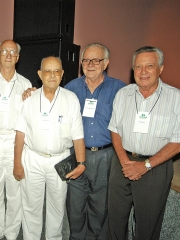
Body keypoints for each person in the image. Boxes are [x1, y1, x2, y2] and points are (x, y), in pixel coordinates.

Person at [107, 46, 180, 240]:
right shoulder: (123, 95)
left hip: (156, 166)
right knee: (115, 220)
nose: (143, 72)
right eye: (138, 67)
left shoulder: (176, 98)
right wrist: (124, 161)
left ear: (160, 68)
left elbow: (179, 143)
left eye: (149, 66)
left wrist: (145, 165)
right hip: (122, 161)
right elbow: (115, 129)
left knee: (148, 224)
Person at [14, 56, 86, 240]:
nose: (52, 75)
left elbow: (78, 134)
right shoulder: (29, 98)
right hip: (32, 159)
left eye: (56, 71)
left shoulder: (71, 99)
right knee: (31, 206)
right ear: (40, 74)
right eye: (47, 71)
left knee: (56, 207)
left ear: (62, 74)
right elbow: (20, 134)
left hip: (60, 160)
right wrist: (17, 163)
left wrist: (81, 163)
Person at [64, 43, 126, 240]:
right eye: (86, 60)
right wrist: (30, 92)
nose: (90, 64)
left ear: (105, 63)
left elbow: (143, 99)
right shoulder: (71, 88)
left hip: (105, 155)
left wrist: (179, 96)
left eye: (96, 60)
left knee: (100, 207)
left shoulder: (120, 89)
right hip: (77, 154)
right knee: (75, 205)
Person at [0, 40, 32, 240]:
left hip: (15, 141)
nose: (8, 55)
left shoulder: (25, 84)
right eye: (4, 51)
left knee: (14, 189)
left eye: (13, 52)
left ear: (17, 58)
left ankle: (11, 232)